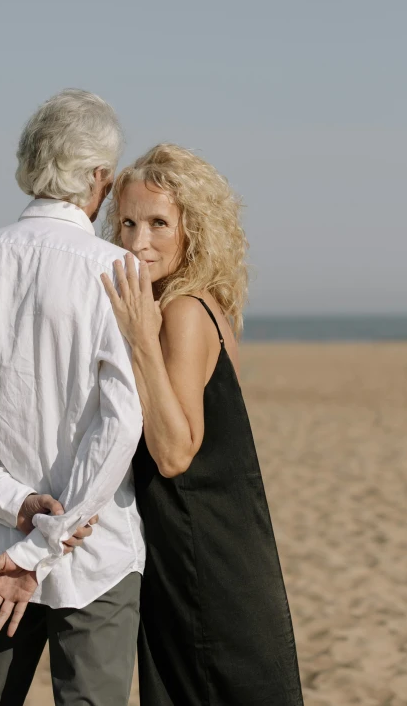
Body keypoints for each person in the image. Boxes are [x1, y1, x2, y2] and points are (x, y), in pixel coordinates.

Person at [0, 89, 145, 706]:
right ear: (99, 177)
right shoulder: (115, 270)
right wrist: (47, 537)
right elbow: (120, 427)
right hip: (94, 555)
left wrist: (16, 507)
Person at [101, 143, 304, 705]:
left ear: (195, 228)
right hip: (210, 548)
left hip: (201, 559)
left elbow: (174, 453)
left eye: (159, 223)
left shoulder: (184, 312)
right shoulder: (202, 302)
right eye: (128, 223)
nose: (138, 242)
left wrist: (141, 338)